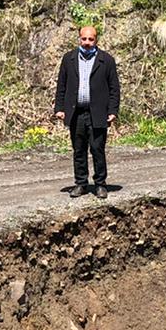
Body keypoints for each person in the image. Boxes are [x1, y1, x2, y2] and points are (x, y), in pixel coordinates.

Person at [53, 24, 120, 199]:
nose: (87, 42)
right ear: (79, 39)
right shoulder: (69, 59)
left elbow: (114, 88)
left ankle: (100, 184)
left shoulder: (106, 60)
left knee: (97, 149)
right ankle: (81, 184)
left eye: (91, 39)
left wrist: (113, 110)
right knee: (79, 150)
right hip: (76, 113)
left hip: (98, 113)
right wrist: (59, 108)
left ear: (96, 40)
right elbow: (62, 85)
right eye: (84, 39)